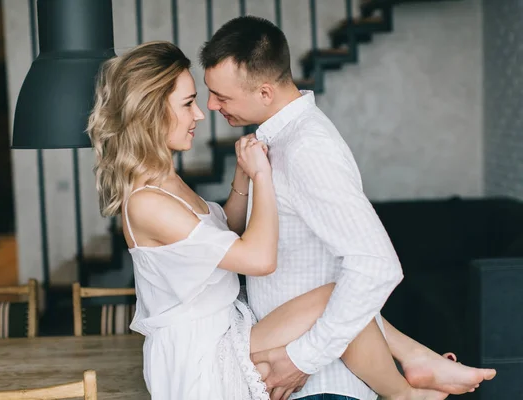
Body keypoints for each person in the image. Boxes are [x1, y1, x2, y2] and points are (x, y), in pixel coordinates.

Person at [199, 16, 496, 400]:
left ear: (265, 92)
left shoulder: (307, 150)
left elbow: (376, 266)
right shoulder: (278, 141)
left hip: (324, 385)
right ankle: (416, 359)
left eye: (221, 97)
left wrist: (304, 358)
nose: (210, 106)